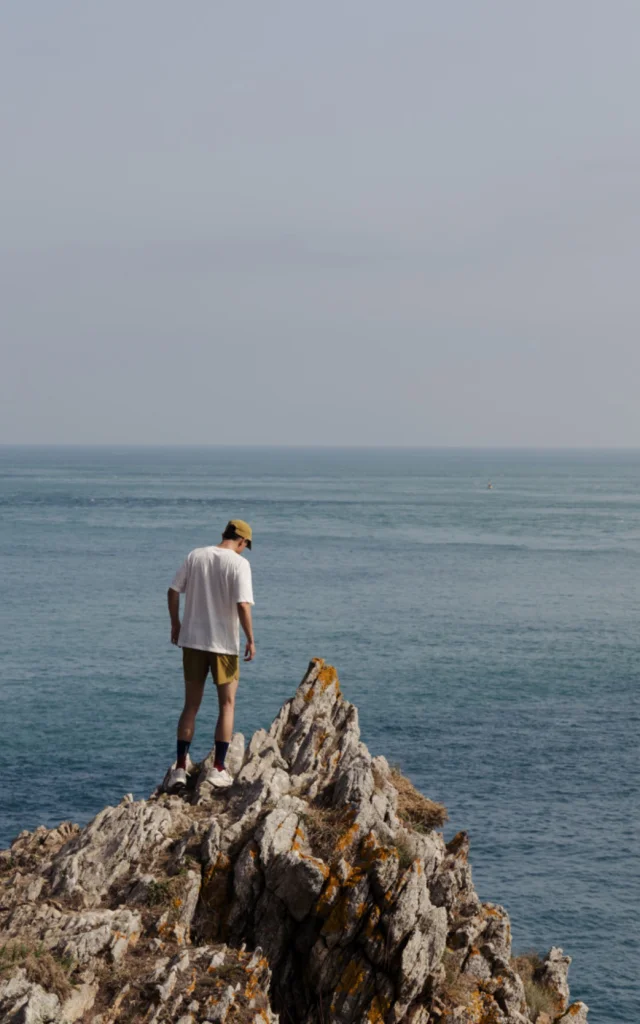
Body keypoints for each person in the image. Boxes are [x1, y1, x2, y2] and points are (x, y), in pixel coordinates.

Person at [164, 519, 255, 792]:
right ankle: (218, 768)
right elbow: (242, 605)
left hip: (192, 641)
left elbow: (172, 590)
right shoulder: (239, 564)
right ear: (241, 541)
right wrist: (251, 639)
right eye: (245, 546)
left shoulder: (196, 555)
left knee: (191, 705)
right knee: (227, 705)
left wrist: (176, 624)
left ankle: (180, 768)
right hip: (224, 646)